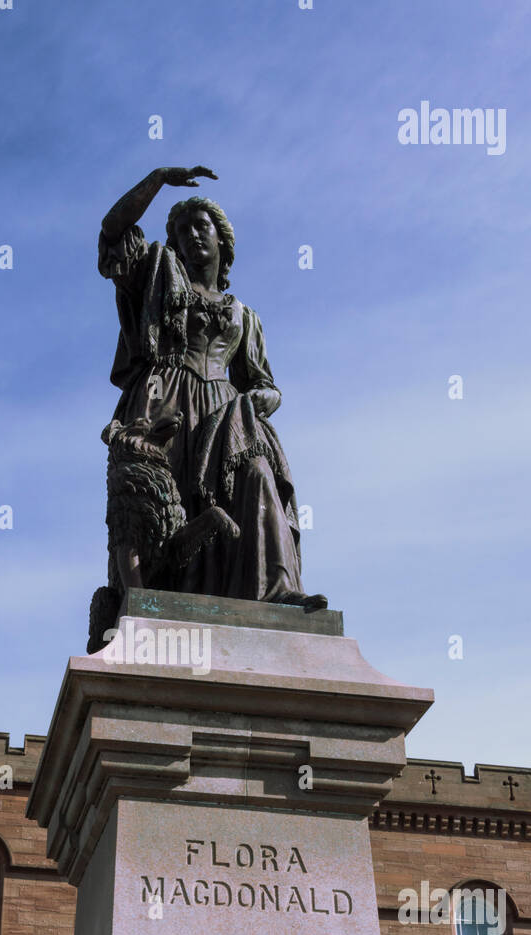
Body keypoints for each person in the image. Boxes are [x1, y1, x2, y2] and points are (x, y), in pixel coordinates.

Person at [99, 165, 326, 610]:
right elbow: (113, 231)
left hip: (227, 415)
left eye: (201, 226)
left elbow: (265, 385)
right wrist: (159, 178)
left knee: (259, 473)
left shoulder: (245, 316)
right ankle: (156, 603)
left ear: (222, 238)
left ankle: (275, 588)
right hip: (168, 406)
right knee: (163, 512)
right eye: (182, 230)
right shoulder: (156, 278)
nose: (191, 236)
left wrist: (261, 400)